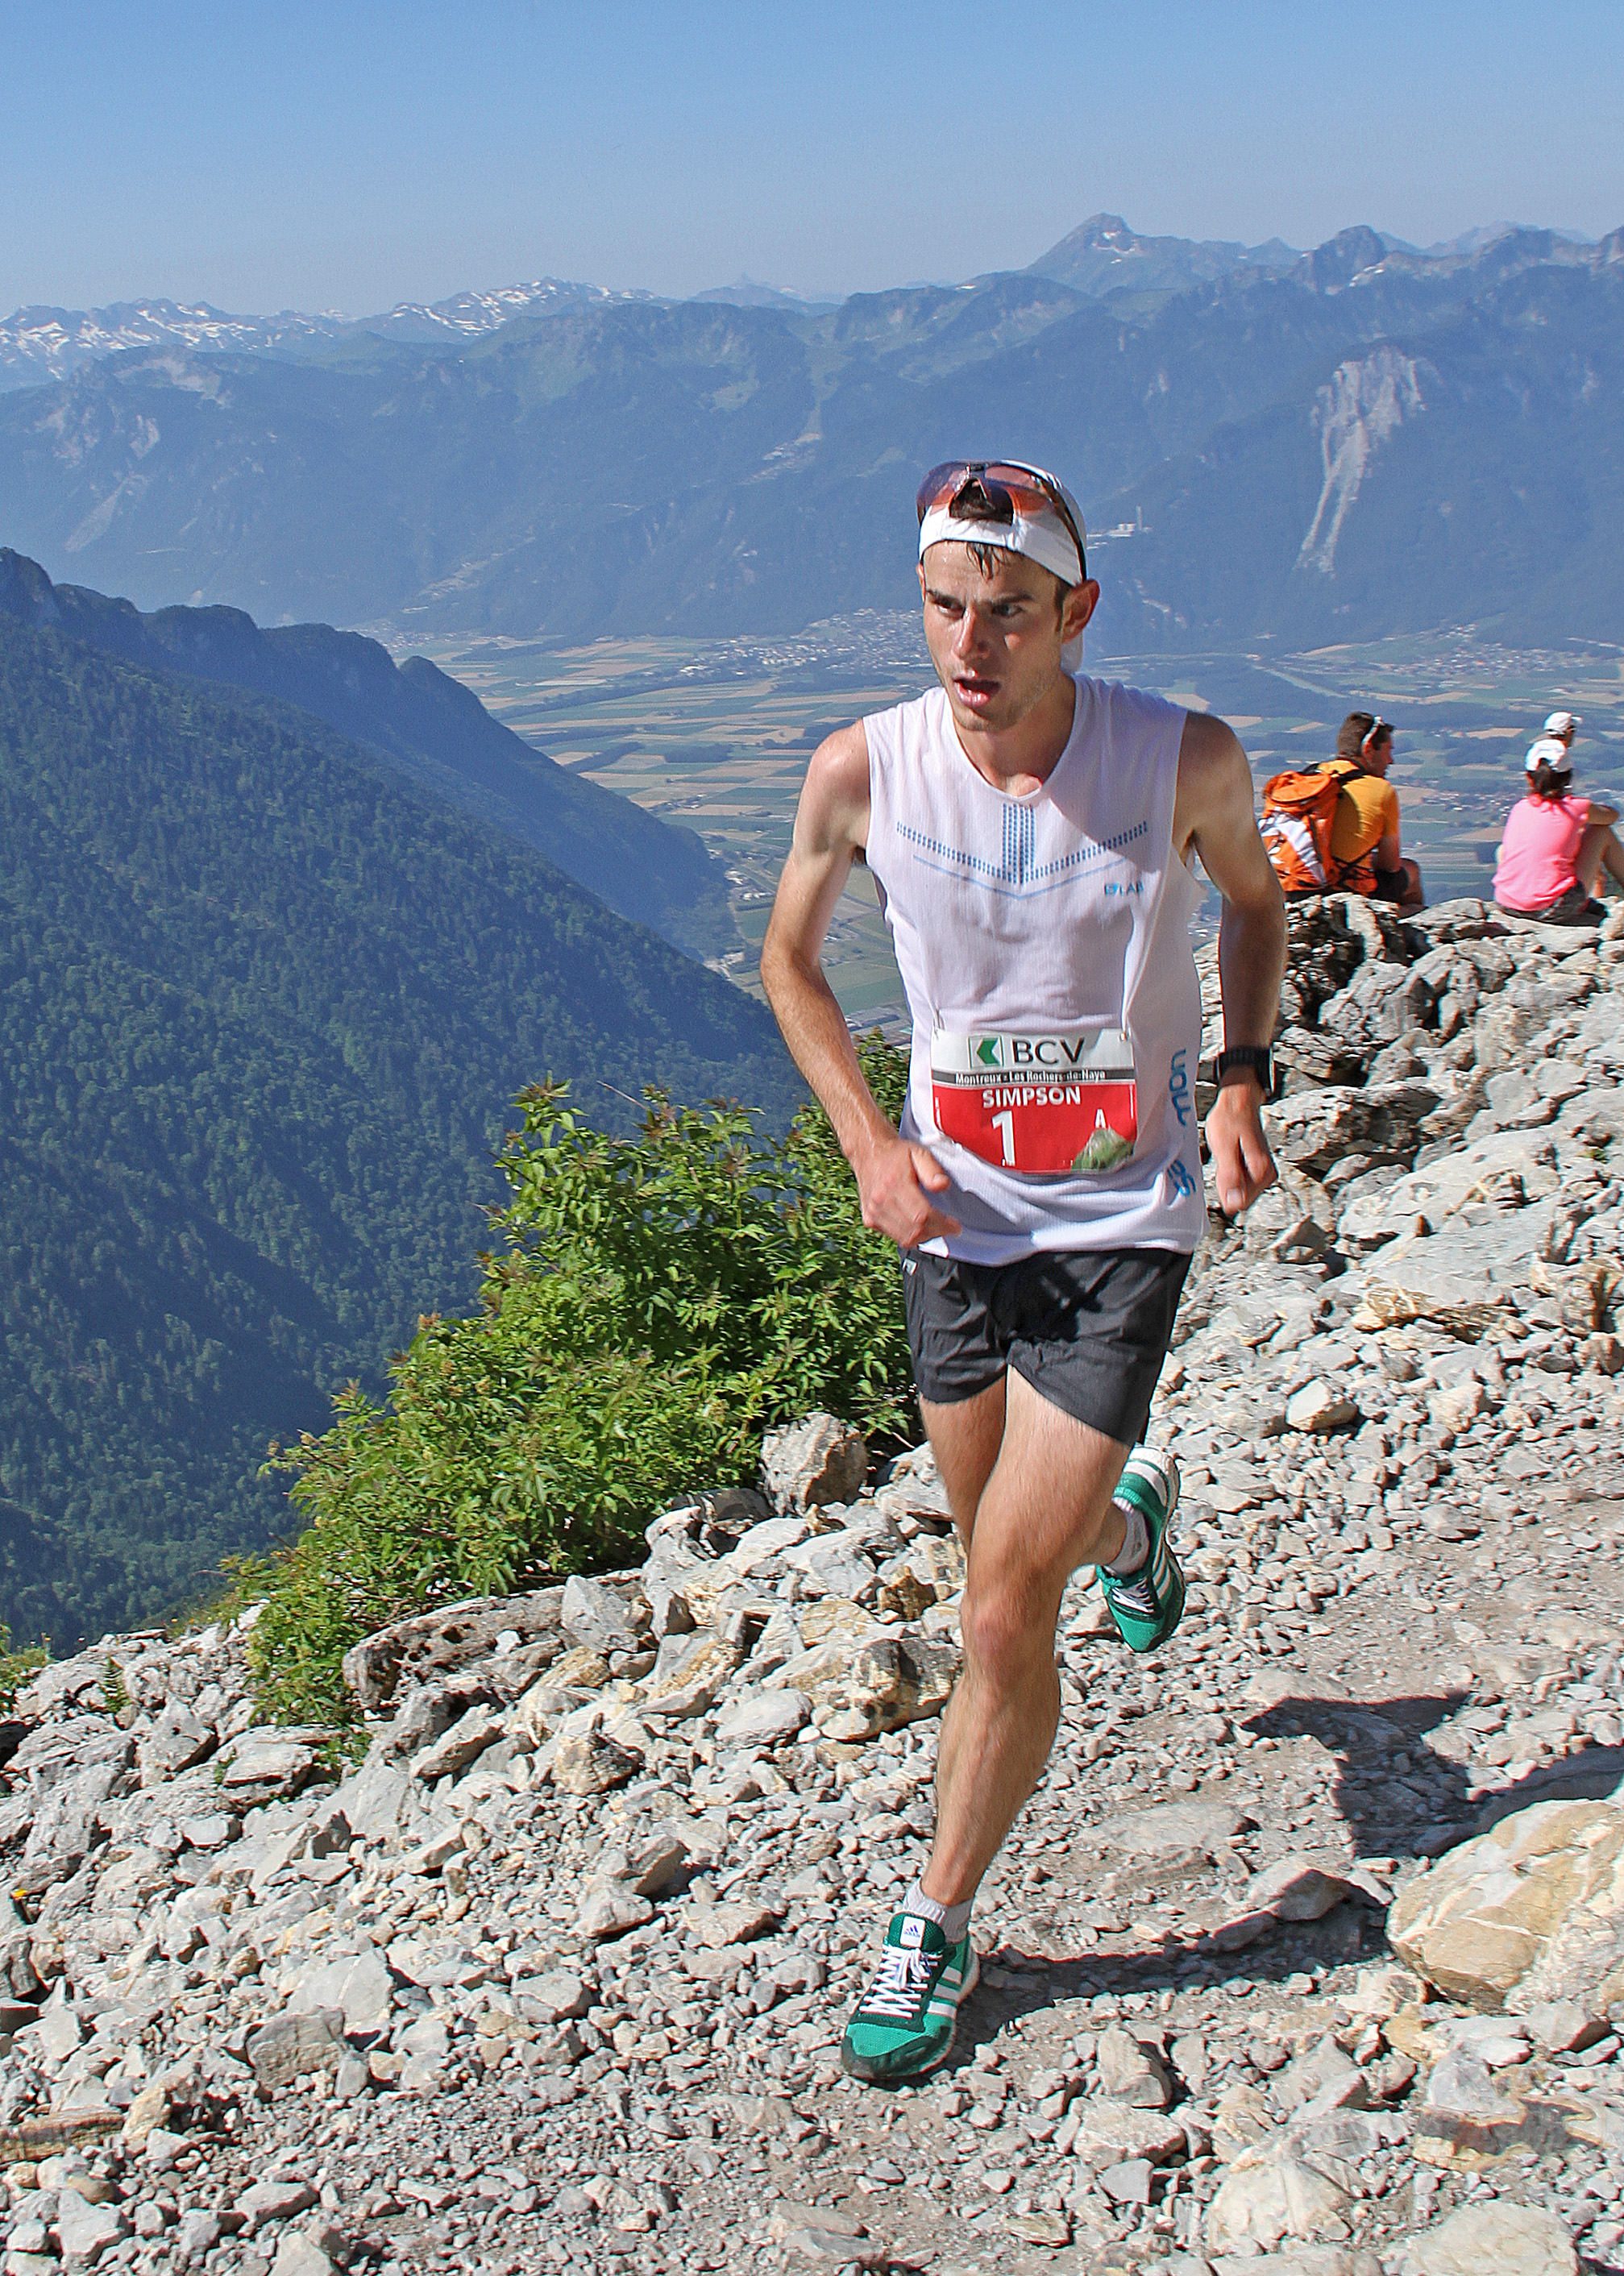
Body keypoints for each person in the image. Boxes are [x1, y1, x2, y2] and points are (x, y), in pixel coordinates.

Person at [759, 457, 1285, 2083]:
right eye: (940, 609)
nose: (968, 648)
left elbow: (1254, 905)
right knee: (998, 1535)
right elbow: (788, 963)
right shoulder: (862, 766)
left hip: (1121, 1214)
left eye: (1003, 615)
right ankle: (1126, 1516)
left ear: (1075, 612)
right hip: (955, 1220)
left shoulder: (1177, 753)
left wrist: (1240, 1075)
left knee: (997, 1608)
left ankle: (934, 1918)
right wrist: (865, 1141)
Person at [1494, 734, 1624, 924]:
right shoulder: (1577, 807)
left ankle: (1522, 894)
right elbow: (1610, 817)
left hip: (1506, 903)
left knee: (1503, 850)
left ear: (1529, 778)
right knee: (1601, 833)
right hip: (1554, 908)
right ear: (1568, 777)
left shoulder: (1520, 807)